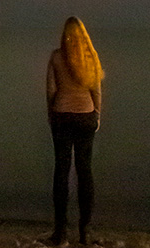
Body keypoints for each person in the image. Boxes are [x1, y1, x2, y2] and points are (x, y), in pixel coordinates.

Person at [46, 16, 104, 245]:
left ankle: (60, 233)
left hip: (62, 115)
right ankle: (84, 232)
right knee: (84, 171)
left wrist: (51, 114)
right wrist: (97, 114)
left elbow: (51, 89)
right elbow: (96, 90)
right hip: (86, 116)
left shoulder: (57, 57)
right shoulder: (91, 57)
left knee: (61, 171)